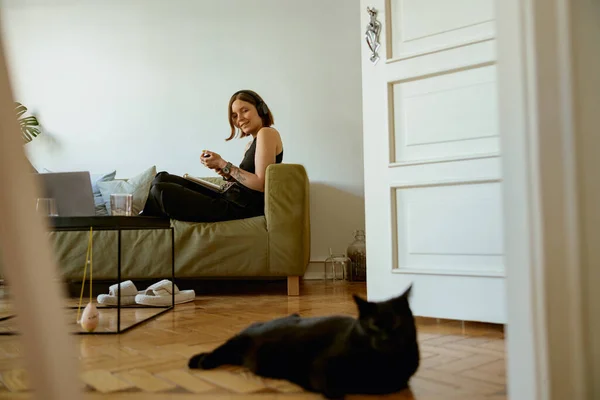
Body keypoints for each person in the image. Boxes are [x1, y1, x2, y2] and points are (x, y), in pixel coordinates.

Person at [140, 90, 284, 222]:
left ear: (261, 109)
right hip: (233, 198)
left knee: (161, 191)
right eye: (235, 115)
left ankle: (141, 223)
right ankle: (145, 221)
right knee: (161, 178)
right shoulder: (251, 143)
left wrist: (223, 164)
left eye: (244, 110)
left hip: (243, 208)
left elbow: (261, 184)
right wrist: (226, 173)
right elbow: (248, 181)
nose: (239, 118)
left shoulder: (266, 133)